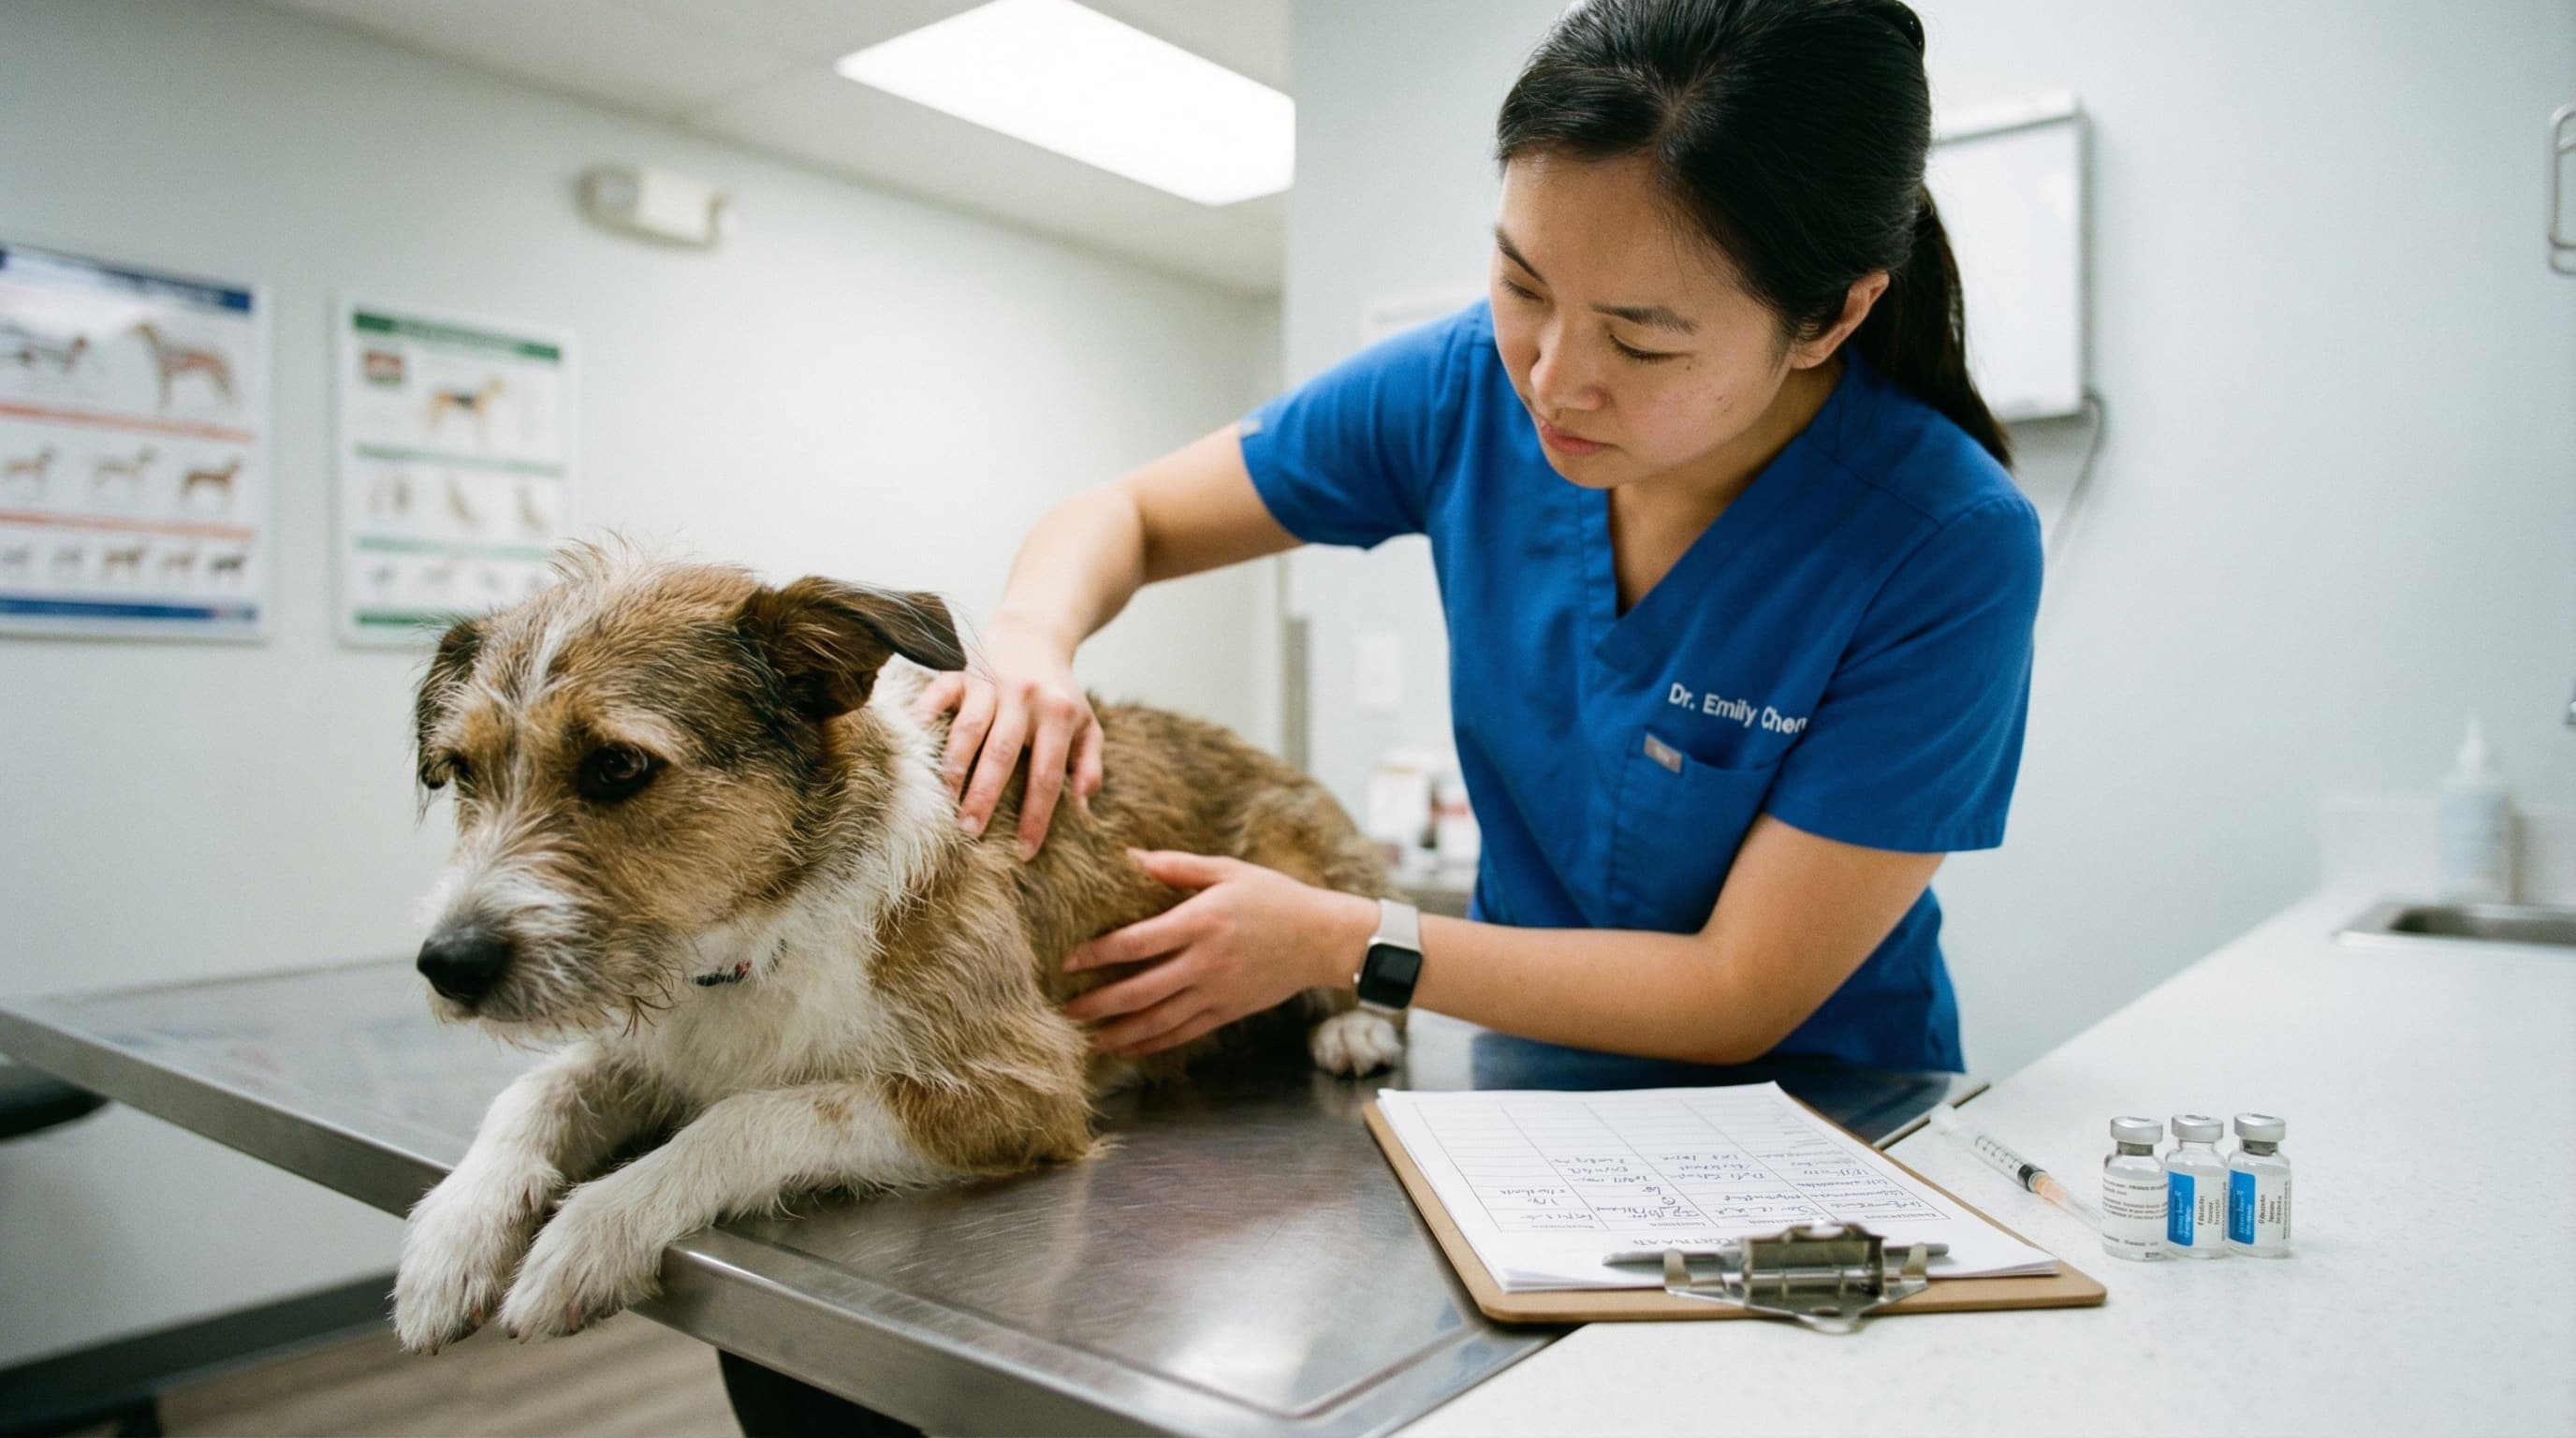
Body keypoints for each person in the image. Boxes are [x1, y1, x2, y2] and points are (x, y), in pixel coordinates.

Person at [726, 0, 2041, 1426]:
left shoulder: (1942, 539)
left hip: (1818, 1116)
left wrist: (1339, 941)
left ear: (1833, 314)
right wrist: (1030, 643)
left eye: (1643, 342)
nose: (1552, 376)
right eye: (1522, 282)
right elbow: (1125, 515)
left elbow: (1741, 992)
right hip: (1529, 1105)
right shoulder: (1463, 387)